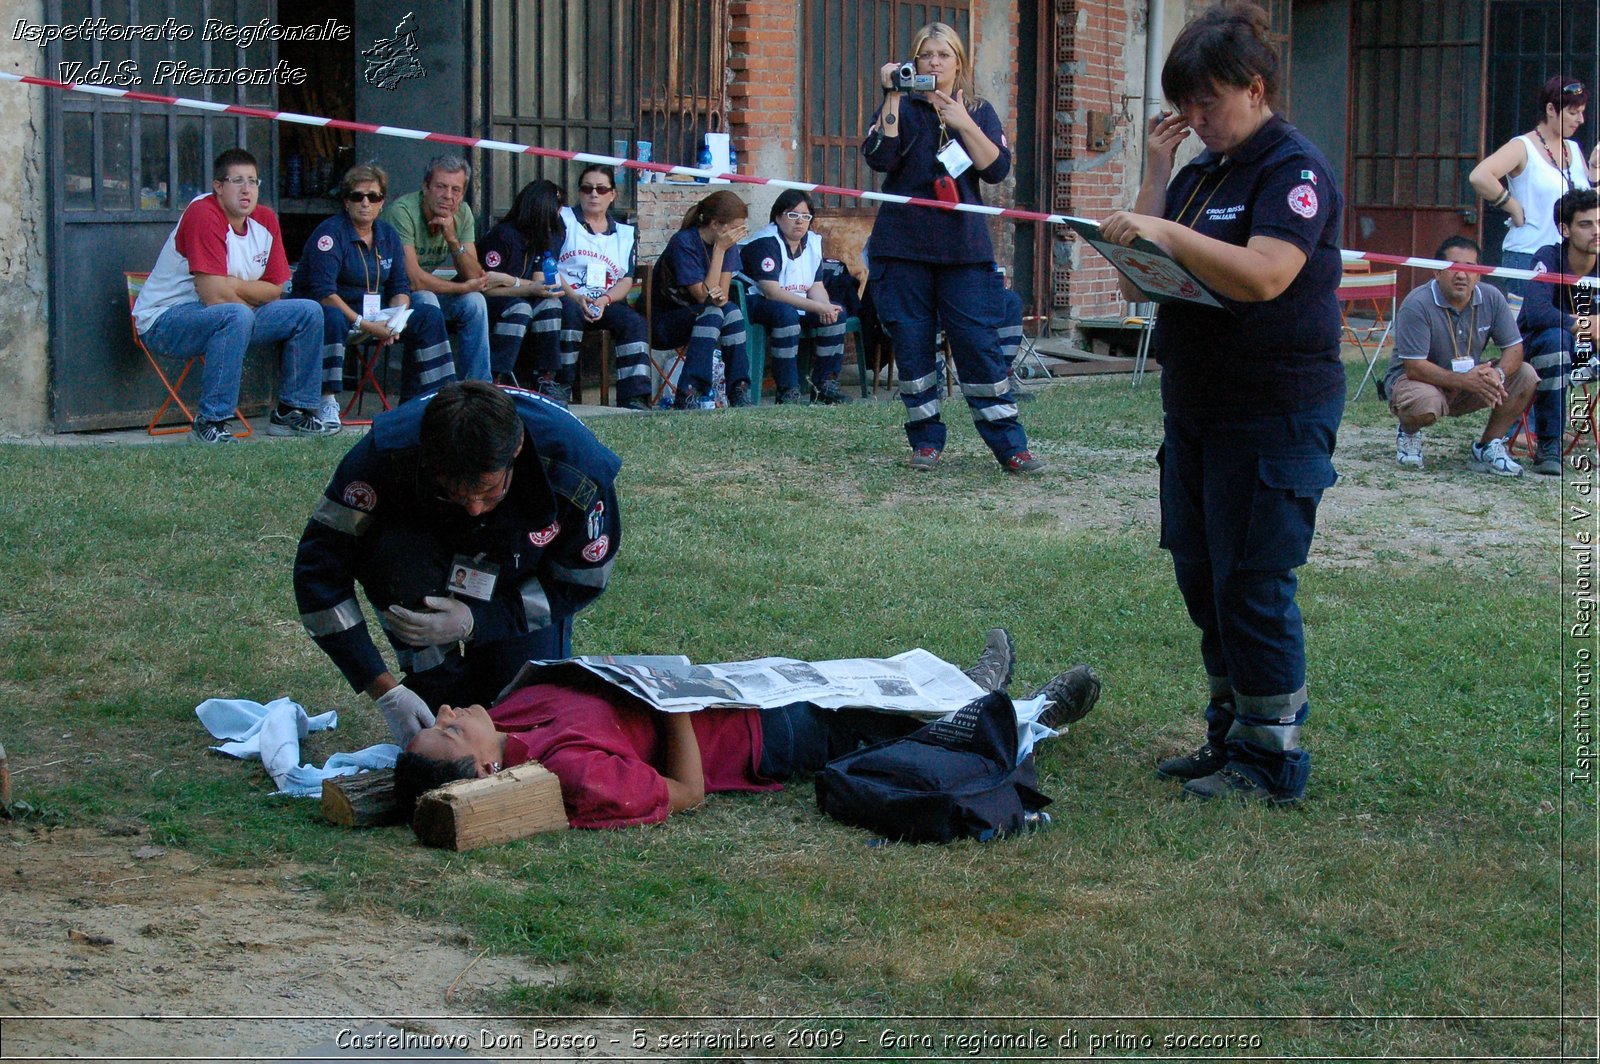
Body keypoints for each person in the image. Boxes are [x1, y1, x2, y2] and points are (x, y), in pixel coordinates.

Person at [1099, 1, 1344, 804]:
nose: (1196, 119)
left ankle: (1272, 762)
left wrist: (1166, 235)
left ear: (1256, 86)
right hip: (1197, 405)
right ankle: (1227, 737)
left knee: (1254, 582)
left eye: (1208, 103)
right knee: (1204, 577)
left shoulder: (1292, 169)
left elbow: (1267, 273)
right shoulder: (1203, 169)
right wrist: (1158, 185)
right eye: (1184, 106)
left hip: (1272, 409)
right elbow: (1142, 269)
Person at [392, 631, 1102, 830]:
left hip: (734, 689)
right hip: (757, 740)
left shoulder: (505, 716)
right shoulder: (569, 771)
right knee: (903, 737)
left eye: (445, 718)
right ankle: (1028, 712)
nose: (450, 713)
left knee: (854, 678)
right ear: (484, 777)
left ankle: (973, 688)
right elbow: (686, 793)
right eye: (451, 734)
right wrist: (669, 707)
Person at [292, 380, 622, 744]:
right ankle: (432, 677)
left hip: (518, 581)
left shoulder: (576, 469)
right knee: (445, 729)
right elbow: (318, 569)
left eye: (489, 491)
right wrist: (383, 689)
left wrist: (480, 620)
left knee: (520, 716)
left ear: (517, 448)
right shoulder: (387, 456)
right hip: (419, 563)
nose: (475, 507)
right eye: (456, 493)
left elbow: (580, 579)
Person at [861, 22, 1041, 473]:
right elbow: (879, 157)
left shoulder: (978, 110)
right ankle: (925, 441)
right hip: (903, 248)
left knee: (978, 345)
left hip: (963, 250)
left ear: (959, 62)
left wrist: (961, 122)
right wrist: (892, 96)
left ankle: (1010, 446)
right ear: (913, 62)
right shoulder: (900, 105)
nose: (934, 63)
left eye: (943, 55)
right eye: (925, 55)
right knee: (914, 349)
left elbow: (996, 170)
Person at [131, 148, 329, 443]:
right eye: (237, 181)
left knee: (308, 311)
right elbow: (214, 296)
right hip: (166, 320)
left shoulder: (266, 220)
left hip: (231, 316)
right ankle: (210, 422)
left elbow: (275, 288)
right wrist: (241, 295)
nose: (247, 189)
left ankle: (290, 410)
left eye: (253, 181)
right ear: (218, 187)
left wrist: (232, 284)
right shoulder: (203, 212)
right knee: (235, 315)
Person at [293, 163, 456, 418]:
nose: (366, 203)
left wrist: (396, 319)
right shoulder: (329, 234)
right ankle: (325, 402)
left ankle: (437, 400)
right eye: (358, 196)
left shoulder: (388, 234)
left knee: (428, 315)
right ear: (346, 202)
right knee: (330, 315)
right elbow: (325, 294)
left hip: (374, 315)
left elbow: (400, 286)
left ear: (382, 202)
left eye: (374, 196)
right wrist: (369, 326)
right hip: (338, 315)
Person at [1385, 236, 1537, 475]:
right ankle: (1409, 432)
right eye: (1453, 267)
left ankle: (1488, 445)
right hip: (1419, 382)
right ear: (1437, 272)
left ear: (1479, 274)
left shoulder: (1492, 297)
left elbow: (1515, 349)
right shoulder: (1417, 303)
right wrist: (1465, 380)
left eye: (1470, 268)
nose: (1461, 274)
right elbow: (1414, 367)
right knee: (1427, 404)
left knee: (1526, 375)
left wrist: (1496, 373)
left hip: (1468, 382)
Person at [382, 155, 514, 387]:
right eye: (441, 187)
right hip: (390, 296)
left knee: (474, 302)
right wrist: (462, 287)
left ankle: (478, 387)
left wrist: (452, 239)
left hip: (427, 292)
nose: (448, 196)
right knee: (426, 296)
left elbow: (475, 276)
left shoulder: (462, 213)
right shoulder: (402, 211)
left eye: (456, 190)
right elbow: (412, 279)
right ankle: (436, 387)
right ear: (425, 186)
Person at [1469, 76, 1596, 299]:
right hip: (1529, 254)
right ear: (1551, 109)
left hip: (1569, 257)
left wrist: (1595, 172)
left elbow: (1585, 201)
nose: (1581, 120)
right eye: (1573, 112)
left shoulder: (1574, 149)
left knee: (1571, 326)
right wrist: (1511, 205)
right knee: (1531, 325)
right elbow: (1480, 176)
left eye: (1582, 112)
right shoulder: (1523, 146)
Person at [738, 189, 853, 405]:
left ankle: (825, 384)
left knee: (837, 313)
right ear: (778, 216)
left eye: (805, 216)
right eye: (792, 215)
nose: (799, 221)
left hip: (796, 300)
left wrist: (825, 306)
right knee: (786, 315)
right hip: (757, 300)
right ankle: (788, 389)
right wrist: (816, 307)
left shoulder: (812, 243)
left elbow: (816, 285)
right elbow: (771, 291)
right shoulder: (766, 242)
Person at [555, 165, 653, 411]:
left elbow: (627, 280)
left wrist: (605, 300)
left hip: (605, 301)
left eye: (601, 189)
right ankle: (560, 386)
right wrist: (577, 298)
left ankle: (634, 396)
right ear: (579, 193)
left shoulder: (624, 233)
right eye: (587, 188)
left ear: (613, 194)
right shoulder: (563, 220)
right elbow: (551, 268)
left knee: (634, 323)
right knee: (568, 312)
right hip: (569, 296)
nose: (594, 195)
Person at [651, 189, 756, 409]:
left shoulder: (729, 247)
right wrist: (719, 250)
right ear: (716, 224)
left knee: (732, 312)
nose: (740, 233)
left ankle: (738, 389)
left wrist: (723, 252)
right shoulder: (684, 242)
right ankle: (689, 393)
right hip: (664, 322)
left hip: (704, 316)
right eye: (736, 227)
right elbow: (702, 295)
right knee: (712, 313)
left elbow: (721, 296)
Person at [1520, 187, 1600, 474]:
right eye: (1586, 224)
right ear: (1564, 229)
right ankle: (1549, 443)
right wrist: (1587, 324)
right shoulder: (1548, 257)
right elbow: (1537, 313)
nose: (1596, 231)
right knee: (1557, 339)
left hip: (1587, 357)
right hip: (1538, 352)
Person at [478, 179, 568, 399]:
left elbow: (541, 283)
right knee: (520, 308)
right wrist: (519, 285)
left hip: (520, 296)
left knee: (550, 304)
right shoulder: (503, 235)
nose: (558, 214)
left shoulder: (545, 236)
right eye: (555, 208)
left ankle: (545, 379)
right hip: (488, 301)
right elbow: (486, 287)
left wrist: (511, 281)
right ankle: (497, 377)